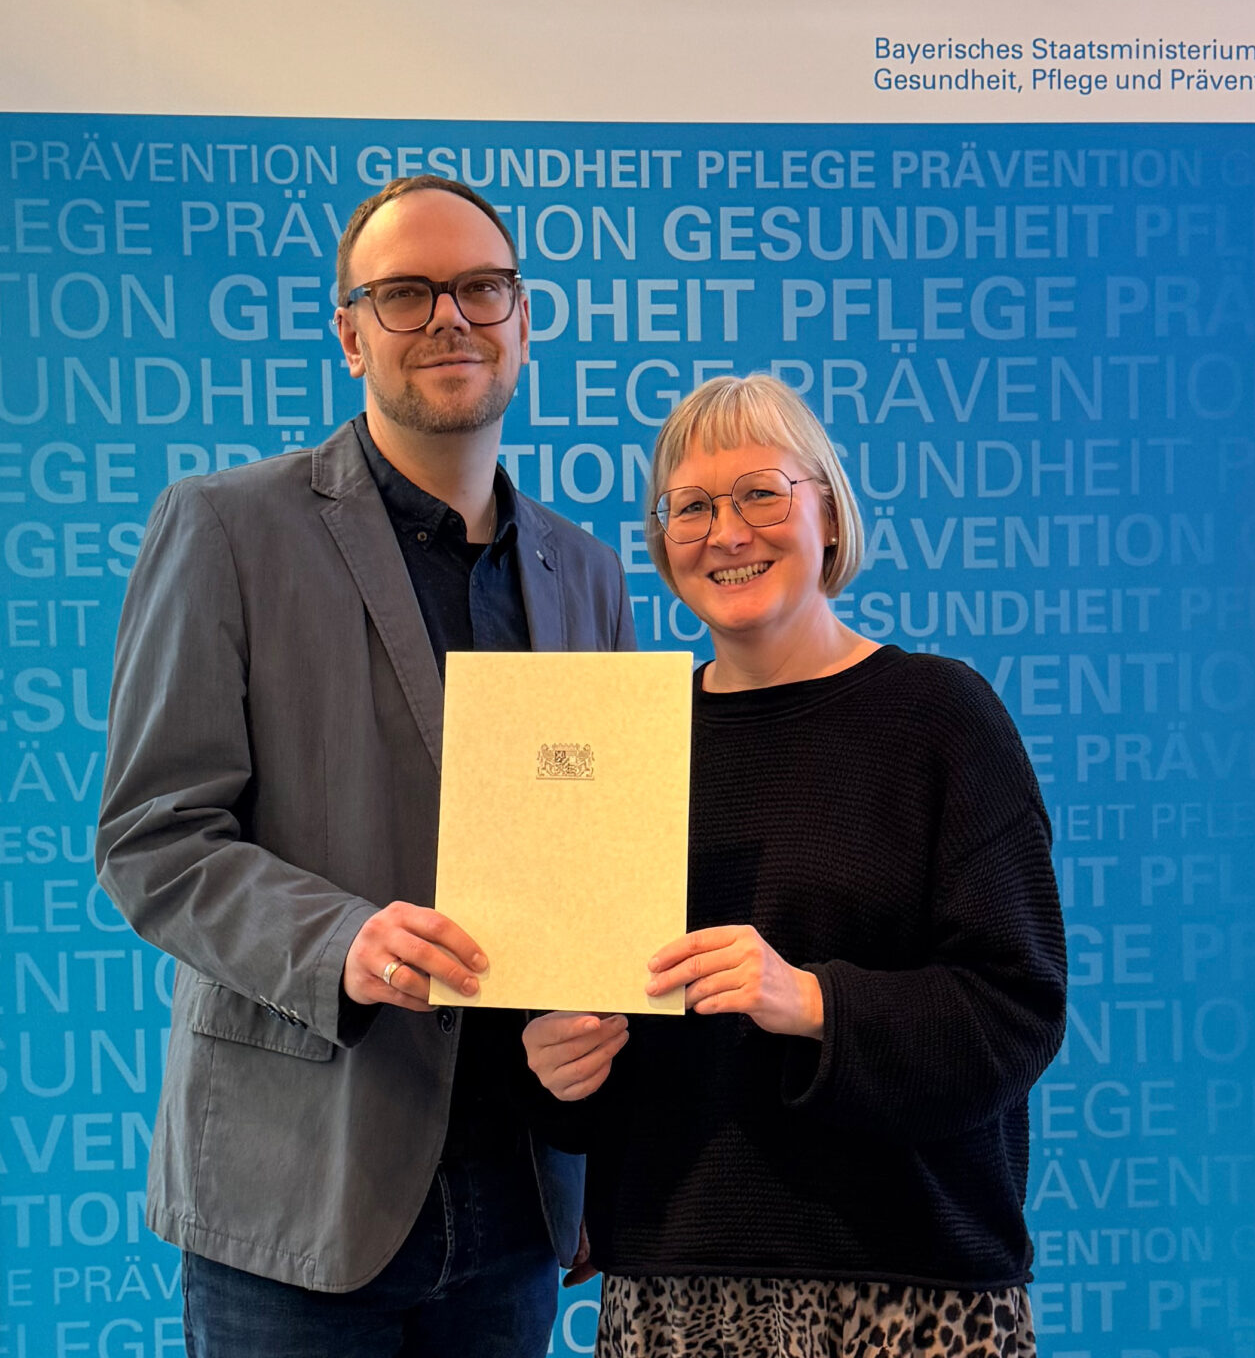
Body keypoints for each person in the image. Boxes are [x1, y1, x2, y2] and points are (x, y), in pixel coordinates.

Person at [96, 174, 634, 1358]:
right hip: (295, 1189)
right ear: (350, 334)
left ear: (523, 321)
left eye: (481, 288)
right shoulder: (227, 527)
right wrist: (342, 942)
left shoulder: (586, 574)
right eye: (405, 293)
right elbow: (153, 838)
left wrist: (591, 1114)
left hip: (518, 1197)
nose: (449, 317)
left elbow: (589, 874)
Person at [521, 373, 1068, 1358]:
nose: (727, 532)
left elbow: (1016, 1013)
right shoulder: (623, 745)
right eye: (692, 507)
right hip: (673, 1293)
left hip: (911, 1296)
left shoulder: (940, 717)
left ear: (829, 513)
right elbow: (593, 1027)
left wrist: (811, 1001)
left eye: (760, 495)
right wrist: (559, 1073)